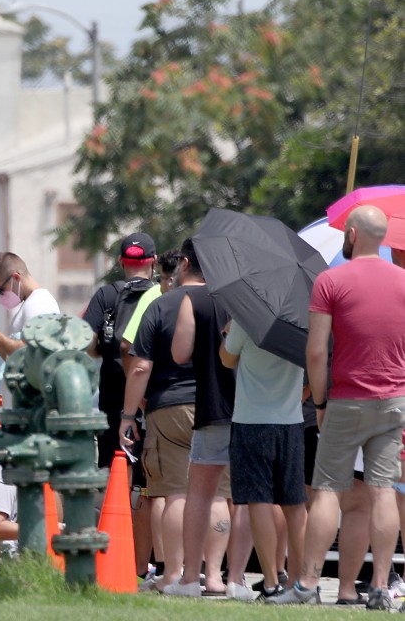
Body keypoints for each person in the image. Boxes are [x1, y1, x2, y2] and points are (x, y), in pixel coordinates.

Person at [269, 205, 405, 609]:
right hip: (394, 400)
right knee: (382, 492)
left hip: (347, 398)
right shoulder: (403, 282)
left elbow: (316, 351)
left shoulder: (330, 280)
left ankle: (308, 584)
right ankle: (380, 588)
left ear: (351, 234)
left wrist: (321, 400)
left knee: (328, 489)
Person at [164, 238, 247, 598]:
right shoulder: (245, 298)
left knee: (200, 493)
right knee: (244, 497)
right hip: (250, 409)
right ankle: (235, 579)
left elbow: (180, 353)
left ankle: (191, 579)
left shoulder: (193, 300)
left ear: (185, 263)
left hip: (211, 406)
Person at [119, 249, 205, 592]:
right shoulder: (226, 303)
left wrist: (129, 414)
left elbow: (139, 364)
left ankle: (173, 574)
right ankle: (215, 575)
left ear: (183, 265)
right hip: (217, 409)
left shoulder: (162, 304)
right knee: (216, 497)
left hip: (168, 406)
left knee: (171, 493)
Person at [218, 318, 307, 601]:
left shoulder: (248, 320)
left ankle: (270, 581)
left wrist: (227, 334)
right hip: (291, 420)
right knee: (294, 504)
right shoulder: (301, 321)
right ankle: (300, 582)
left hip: (251, 420)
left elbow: (227, 359)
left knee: (259, 501)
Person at [84, 232, 157, 470]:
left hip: (114, 395)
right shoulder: (161, 296)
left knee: (114, 467)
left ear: (120, 261)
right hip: (153, 394)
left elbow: (87, 342)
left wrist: (102, 351)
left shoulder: (106, 295)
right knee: (152, 475)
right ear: (154, 260)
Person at [0, 252, 60, 360]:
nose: (0, 295)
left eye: (1, 290)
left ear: (16, 278)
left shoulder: (38, 304)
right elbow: (15, 361)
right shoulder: (31, 302)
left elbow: (34, 352)